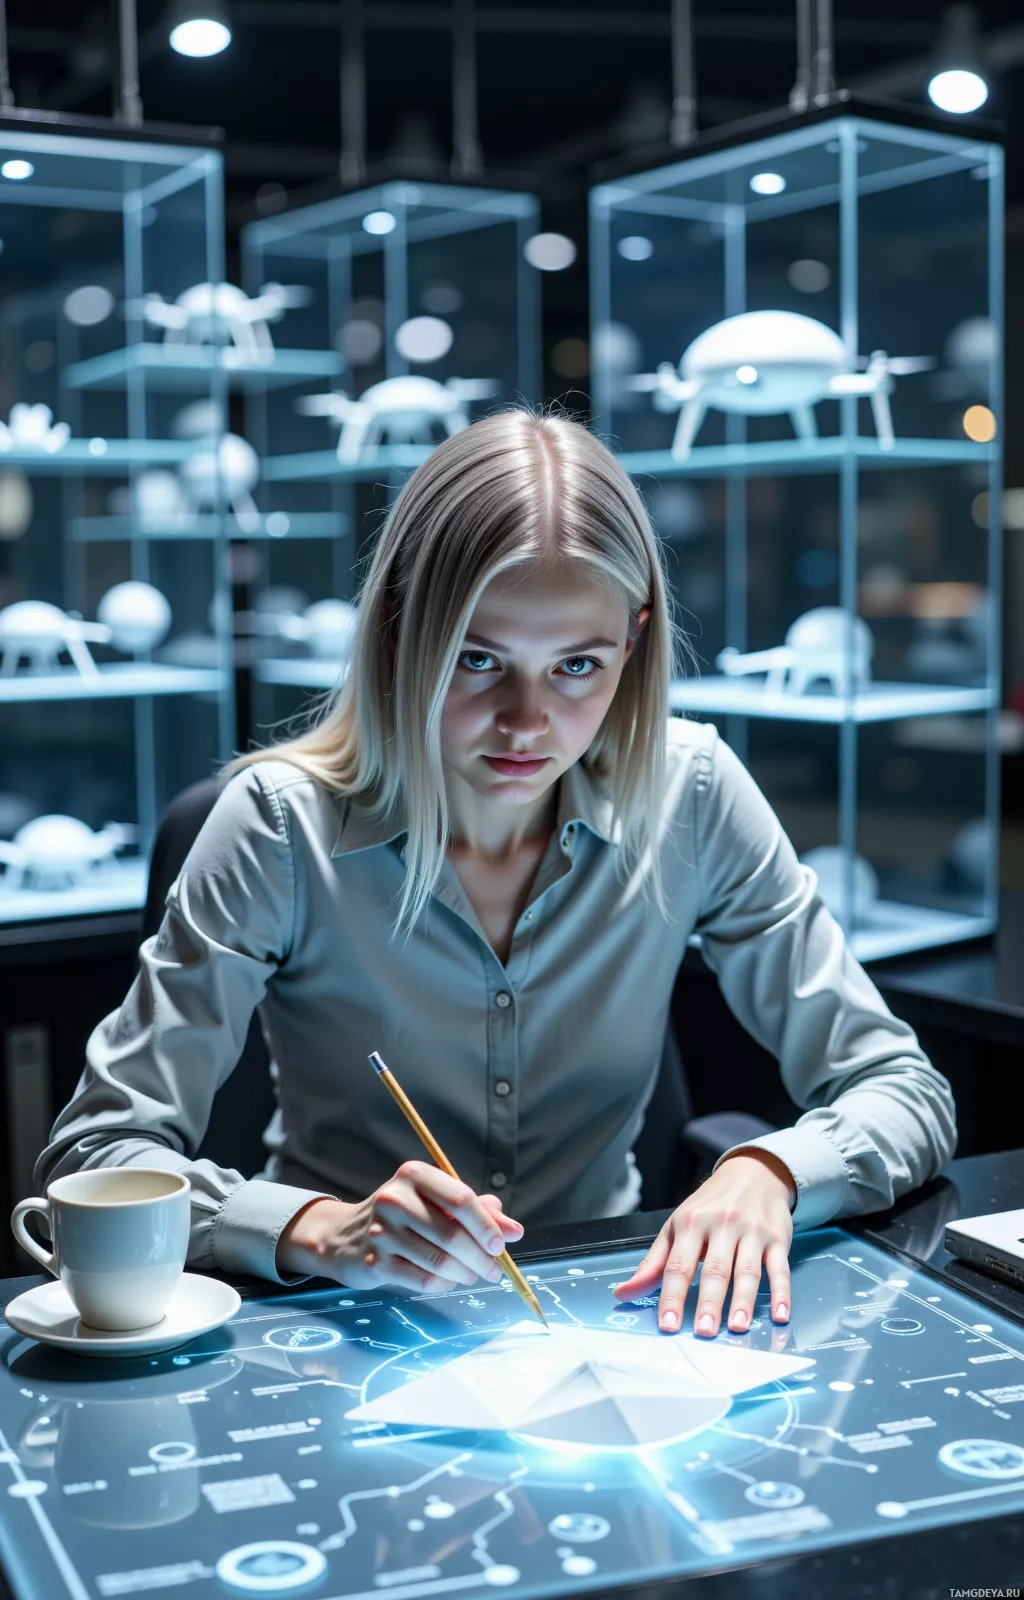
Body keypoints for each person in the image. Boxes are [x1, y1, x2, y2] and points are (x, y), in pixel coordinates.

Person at [37, 411, 956, 1340]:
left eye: (576, 667)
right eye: (479, 660)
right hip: (335, 1323)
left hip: (615, 1313)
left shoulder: (695, 793)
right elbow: (99, 1151)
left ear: (632, 646)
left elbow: (903, 1089)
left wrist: (774, 1171)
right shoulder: (278, 825)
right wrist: (319, 1229)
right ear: (400, 633)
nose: (526, 724)